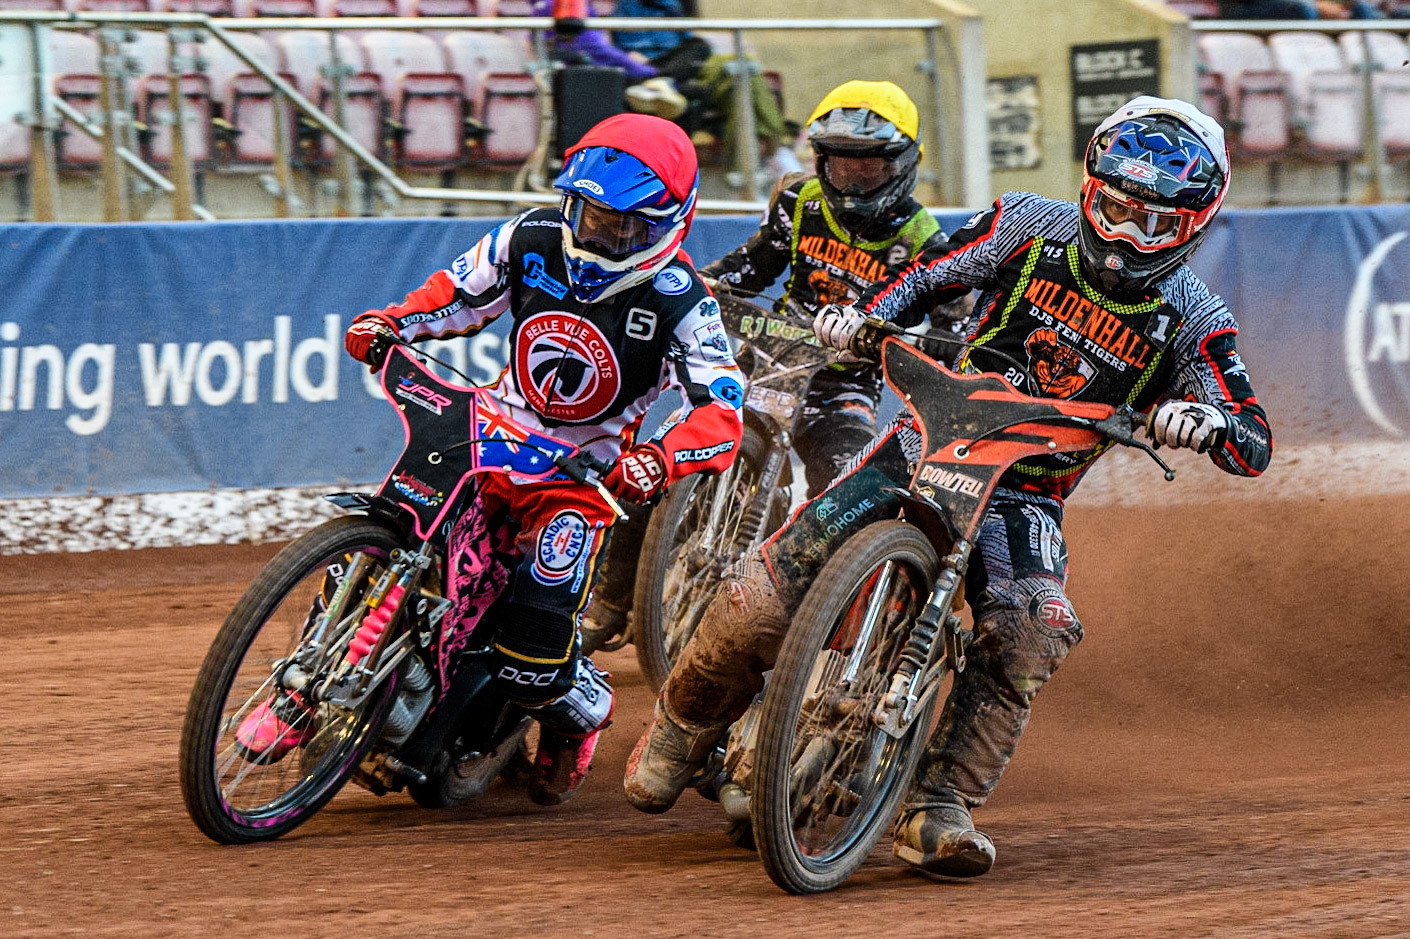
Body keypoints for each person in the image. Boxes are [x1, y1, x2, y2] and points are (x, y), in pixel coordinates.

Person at [623, 96, 1273, 878]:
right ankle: (681, 722)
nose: (1128, 234)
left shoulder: (1194, 317)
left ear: (1195, 224)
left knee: (1034, 629)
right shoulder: (1030, 224)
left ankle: (940, 802)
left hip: (1025, 492)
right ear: (1089, 187)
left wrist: (1202, 421)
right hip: (927, 438)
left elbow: (1252, 437)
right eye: (1116, 207)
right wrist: (863, 317)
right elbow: (928, 273)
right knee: (759, 590)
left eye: (1154, 222)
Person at [238, 114, 743, 808]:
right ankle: (302, 693)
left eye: (620, 228)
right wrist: (395, 320)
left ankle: (581, 708)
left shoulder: (684, 301)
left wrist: (660, 458)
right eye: (588, 214)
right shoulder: (531, 237)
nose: (596, 236)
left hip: (580, 474)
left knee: (531, 645)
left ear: (669, 225)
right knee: (397, 527)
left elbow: (721, 409)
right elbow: (457, 290)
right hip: (488, 429)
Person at [581, 80, 951, 646]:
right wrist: (697, 285)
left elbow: (954, 320)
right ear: (819, 160)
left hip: (842, 385)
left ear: (902, 165)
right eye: (839, 164)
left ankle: (840, 630)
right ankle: (609, 603)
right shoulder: (797, 201)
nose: (850, 179)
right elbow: (752, 268)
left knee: (850, 491)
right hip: (766, 359)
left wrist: (935, 349)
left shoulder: (923, 238)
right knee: (660, 459)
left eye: (868, 168)